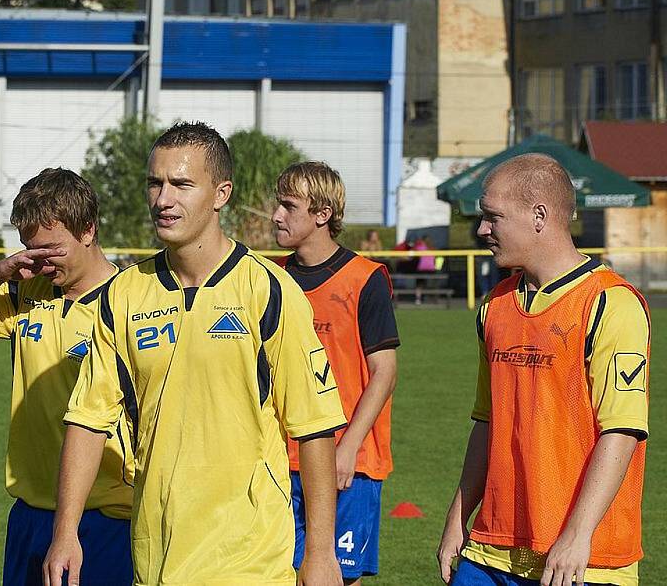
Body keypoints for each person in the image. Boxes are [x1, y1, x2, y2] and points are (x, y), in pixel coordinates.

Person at [43, 122, 347, 586]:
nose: (164, 199)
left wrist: (321, 551)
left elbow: (314, 426)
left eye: (182, 184)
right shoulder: (123, 295)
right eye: (155, 183)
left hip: (249, 559)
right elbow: (88, 418)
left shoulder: (268, 289)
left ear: (220, 193)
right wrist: (66, 531)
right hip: (155, 556)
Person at [437, 154, 650, 586]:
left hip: (582, 557)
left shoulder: (610, 303)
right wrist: (458, 519)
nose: (482, 230)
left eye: (492, 217)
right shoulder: (495, 305)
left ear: (539, 216)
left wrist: (577, 534)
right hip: (490, 548)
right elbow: (486, 421)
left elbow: (622, 431)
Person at [0, 168, 134, 585]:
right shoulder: (27, 292)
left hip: (109, 514)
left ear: (88, 230)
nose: (39, 260)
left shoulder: (133, 301)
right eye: (30, 248)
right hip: (32, 511)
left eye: (51, 248)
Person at [272, 162, 399, 584]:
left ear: (322, 214)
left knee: (338, 578)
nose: (277, 215)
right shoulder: (272, 278)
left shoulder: (365, 279)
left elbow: (384, 372)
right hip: (280, 458)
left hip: (349, 460)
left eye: (289, 206)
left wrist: (348, 447)